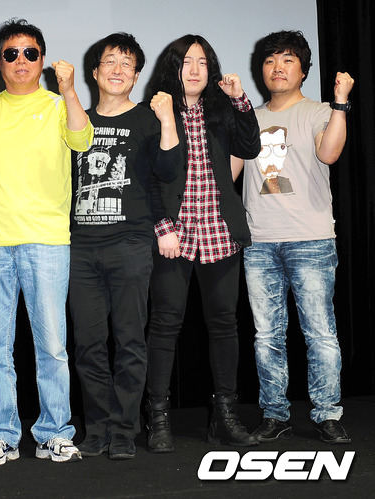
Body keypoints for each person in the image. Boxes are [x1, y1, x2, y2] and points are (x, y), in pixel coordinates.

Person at [0, 19, 93, 465]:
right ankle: (2, 434)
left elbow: (81, 140)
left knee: (52, 346)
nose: (20, 60)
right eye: (11, 53)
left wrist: (70, 90)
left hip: (46, 240)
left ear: (42, 60)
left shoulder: (60, 105)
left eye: (30, 53)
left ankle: (54, 432)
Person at [145, 35, 261, 452]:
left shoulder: (221, 110)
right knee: (165, 324)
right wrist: (163, 226)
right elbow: (148, 177)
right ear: (172, 68)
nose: (194, 69)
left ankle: (225, 417)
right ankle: (157, 417)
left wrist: (240, 99)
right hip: (174, 235)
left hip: (219, 230)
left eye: (202, 62)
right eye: (186, 61)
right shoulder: (154, 110)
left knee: (225, 324)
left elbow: (250, 147)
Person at [69, 33, 181, 460]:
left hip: (130, 243)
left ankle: (124, 430)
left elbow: (168, 172)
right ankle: (97, 427)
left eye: (127, 64)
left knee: (131, 341)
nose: (118, 69)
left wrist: (167, 119)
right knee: (88, 345)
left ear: (135, 76)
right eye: (110, 61)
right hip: (80, 248)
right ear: (95, 71)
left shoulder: (147, 119)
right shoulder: (75, 118)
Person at [241, 30, 354, 444]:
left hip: (311, 239)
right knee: (266, 336)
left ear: (303, 70)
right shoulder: (249, 118)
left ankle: (327, 414)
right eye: (270, 60)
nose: (278, 68)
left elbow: (329, 153)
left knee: (319, 332)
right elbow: (229, 171)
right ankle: (275, 414)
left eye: (287, 60)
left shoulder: (320, 111)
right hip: (259, 241)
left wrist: (340, 102)